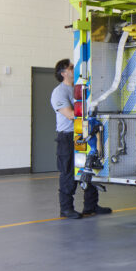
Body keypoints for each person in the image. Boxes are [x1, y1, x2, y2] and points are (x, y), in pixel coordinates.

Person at [51, 58, 112, 219]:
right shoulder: (59, 92)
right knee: (68, 172)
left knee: (88, 168)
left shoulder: (80, 89)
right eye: (71, 67)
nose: (74, 68)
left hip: (83, 135)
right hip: (68, 137)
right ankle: (66, 208)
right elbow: (71, 115)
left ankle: (91, 206)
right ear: (63, 73)